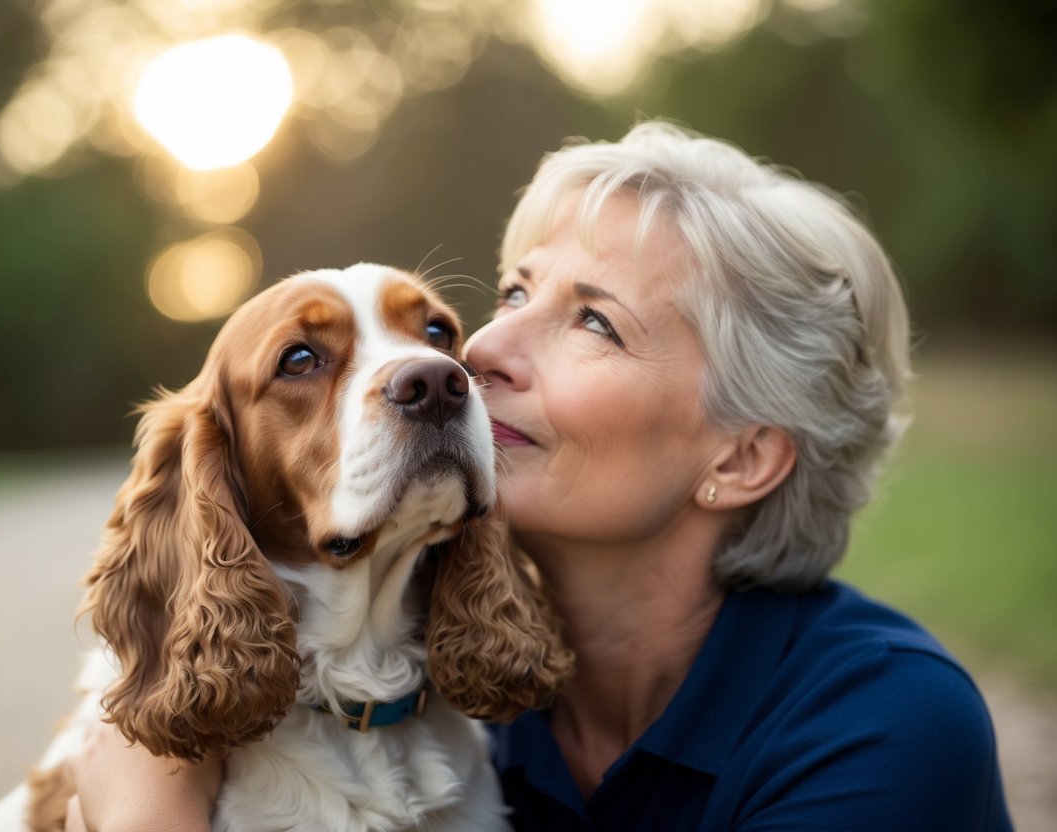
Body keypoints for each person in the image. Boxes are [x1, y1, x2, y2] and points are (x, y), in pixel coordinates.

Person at [65, 120, 1013, 831]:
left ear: (741, 455)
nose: (476, 351)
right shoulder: (432, 686)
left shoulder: (884, 729)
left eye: (593, 321)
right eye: (514, 290)